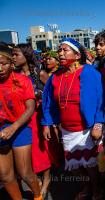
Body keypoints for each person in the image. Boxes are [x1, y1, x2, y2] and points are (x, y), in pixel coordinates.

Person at [41, 38, 105, 200]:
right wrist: (47, 123)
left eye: (64, 50)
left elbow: (100, 100)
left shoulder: (89, 73)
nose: (60, 53)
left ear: (77, 55)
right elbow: (48, 102)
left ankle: (97, 189)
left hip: (87, 128)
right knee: (74, 165)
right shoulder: (55, 77)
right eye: (59, 50)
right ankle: (86, 186)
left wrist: (98, 124)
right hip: (67, 130)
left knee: (90, 164)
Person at [0, 43, 42, 200]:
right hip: (1, 130)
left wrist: (13, 127)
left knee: (25, 172)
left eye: (3, 64)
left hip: (20, 128)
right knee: (5, 176)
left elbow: (30, 108)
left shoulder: (23, 80)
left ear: (11, 63)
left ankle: (38, 196)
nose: (0, 68)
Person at [12, 43, 53, 197]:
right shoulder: (14, 76)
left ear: (26, 55)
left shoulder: (40, 73)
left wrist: (39, 97)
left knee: (41, 149)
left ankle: (47, 178)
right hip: (22, 118)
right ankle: (35, 180)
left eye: (16, 54)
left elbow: (52, 96)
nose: (13, 58)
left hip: (38, 117)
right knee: (29, 153)